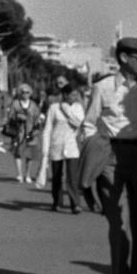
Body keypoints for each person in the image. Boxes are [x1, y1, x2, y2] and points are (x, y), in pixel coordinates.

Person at [82, 36, 137, 274]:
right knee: (118, 226)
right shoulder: (102, 88)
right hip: (111, 157)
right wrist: (97, 152)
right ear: (125, 58)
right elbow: (88, 124)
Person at [40, 83, 84, 212]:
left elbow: (78, 122)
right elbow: (48, 128)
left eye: (76, 95)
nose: (75, 97)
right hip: (56, 144)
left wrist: (66, 109)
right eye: (73, 94)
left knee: (72, 176)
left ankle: (75, 203)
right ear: (65, 95)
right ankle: (57, 202)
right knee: (57, 176)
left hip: (72, 146)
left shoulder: (78, 108)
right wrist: (45, 148)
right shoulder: (53, 108)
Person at [6, 83, 43, 183]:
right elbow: (10, 116)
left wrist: (35, 127)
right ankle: (19, 174)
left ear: (30, 93)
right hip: (19, 131)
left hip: (30, 132)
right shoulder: (15, 103)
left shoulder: (34, 105)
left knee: (29, 153)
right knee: (18, 152)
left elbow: (37, 117)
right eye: (23, 92)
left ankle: (28, 174)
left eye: (27, 92)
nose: (25, 94)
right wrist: (17, 116)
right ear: (20, 93)